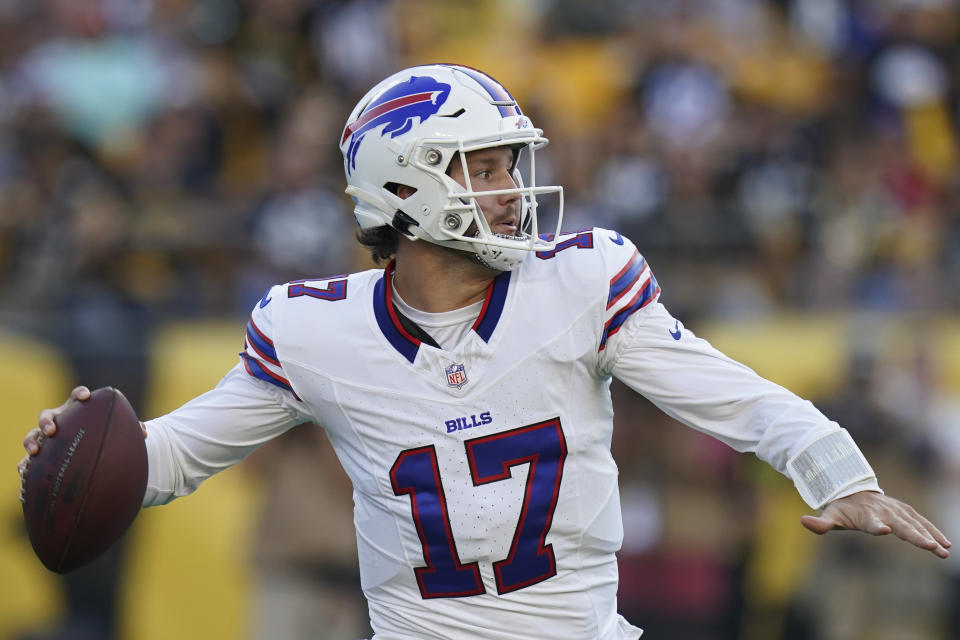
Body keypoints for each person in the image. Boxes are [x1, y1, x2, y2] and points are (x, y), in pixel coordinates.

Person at [18, 64, 951, 640]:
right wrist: (91, 443)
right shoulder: (312, 330)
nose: (512, 189)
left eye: (512, 163)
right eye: (487, 166)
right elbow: (172, 458)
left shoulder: (582, 283)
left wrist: (838, 472)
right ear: (403, 184)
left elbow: (738, 398)